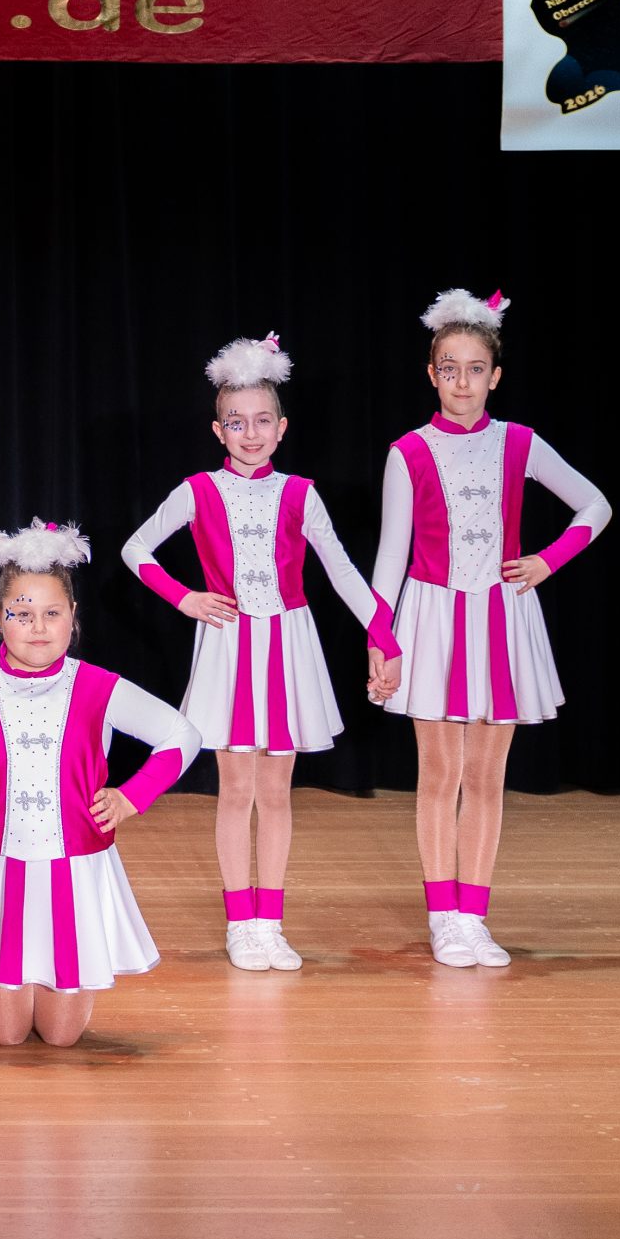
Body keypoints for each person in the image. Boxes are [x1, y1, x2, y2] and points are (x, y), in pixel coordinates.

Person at [120, 331, 401, 970]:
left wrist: (383, 636)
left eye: (262, 420)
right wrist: (185, 597)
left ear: (282, 427)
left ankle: (269, 922)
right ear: (218, 430)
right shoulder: (198, 491)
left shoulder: (300, 493)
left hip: (288, 646)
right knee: (236, 789)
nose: (251, 433)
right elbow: (136, 549)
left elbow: (343, 571)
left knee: (277, 792)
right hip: (228, 648)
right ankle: (239, 923)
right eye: (237, 422)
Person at [0, 521, 200, 1045]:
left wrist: (130, 797)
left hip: (76, 868)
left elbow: (182, 736)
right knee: (5, 1035)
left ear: (73, 616)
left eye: (52, 613)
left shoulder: (98, 686)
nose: (38, 628)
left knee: (61, 1036)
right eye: (22, 614)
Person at [371, 289, 611, 968]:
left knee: (485, 774)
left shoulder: (519, 443)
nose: (462, 382)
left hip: (502, 619)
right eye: (449, 369)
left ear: (495, 376)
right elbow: (390, 554)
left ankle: (474, 915)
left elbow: (595, 505)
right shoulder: (409, 452)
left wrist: (547, 560)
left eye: (475, 369)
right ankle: (442, 916)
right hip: (432, 619)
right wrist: (380, 638)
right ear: (432, 373)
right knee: (439, 773)